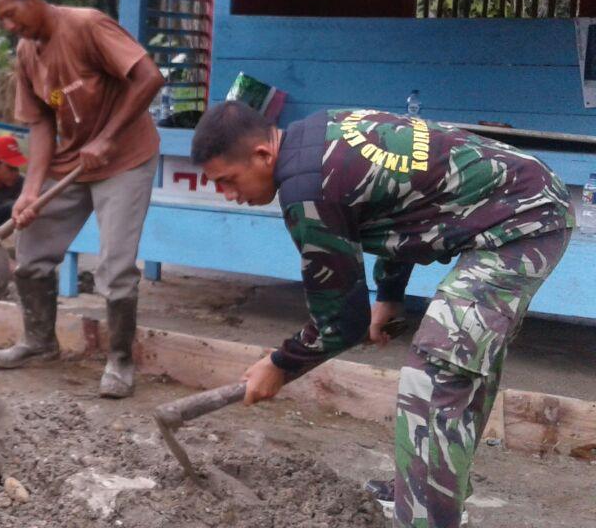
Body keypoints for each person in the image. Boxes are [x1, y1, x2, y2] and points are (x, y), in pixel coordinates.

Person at [190, 101, 573, 528]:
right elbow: (405, 202)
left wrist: (280, 365)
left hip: (524, 219)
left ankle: (426, 516)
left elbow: (341, 323)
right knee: (458, 362)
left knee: (441, 365)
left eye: (227, 181)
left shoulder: (305, 190)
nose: (228, 195)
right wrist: (390, 293)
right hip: (523, 194)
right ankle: (427, 491)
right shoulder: (317, 133)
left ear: (262, 155)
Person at [0, 0, 163, 399]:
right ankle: (39, 342)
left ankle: (119, 361)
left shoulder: (86, 25)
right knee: (31, 254)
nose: (9, 26)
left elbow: (150, 77)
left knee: (115, 267)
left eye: (11, 14)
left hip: (125, 157)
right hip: (72, 160)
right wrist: (30, 192)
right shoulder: (27, 53)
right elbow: (42, 126)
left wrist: (107, 137)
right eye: (0, 21)